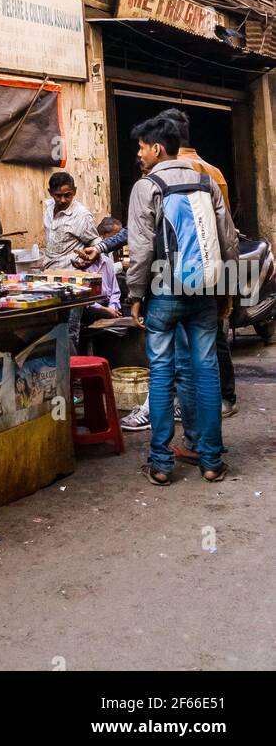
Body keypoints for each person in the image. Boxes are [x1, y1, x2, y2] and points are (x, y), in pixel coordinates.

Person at [127, 111, 238, 485]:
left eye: (141, 148)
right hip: (205, 289)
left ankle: (160, 464)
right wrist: (229, 290)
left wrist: (135, 294)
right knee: (206, 369)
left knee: (162, 373)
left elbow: (141, 249)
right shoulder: (207, 182)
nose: (138, 155)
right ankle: (210, 461)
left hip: (164, 290)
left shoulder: (147, 186)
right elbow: (228, 241)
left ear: (157, 148)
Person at [161, 108, 237, 418]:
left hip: (176, 272)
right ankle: (225, 398)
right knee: (213, 338)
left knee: (182, 344)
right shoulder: (213, 172)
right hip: (211, 267)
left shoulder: (164, 175)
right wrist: (228, 287)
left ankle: (190, 409)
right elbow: (226, 233)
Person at [40, 171, 100, 353]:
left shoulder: (81, 215)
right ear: (50, 192)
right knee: (50, 331)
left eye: (68, 195)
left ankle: (73, 378)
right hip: (49, 281)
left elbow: (97, 242)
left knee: (69, 333)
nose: (63, 200)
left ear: (74, 191)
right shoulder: (48, 208)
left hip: (74, 284)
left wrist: (91, 257)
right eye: (59, 195)